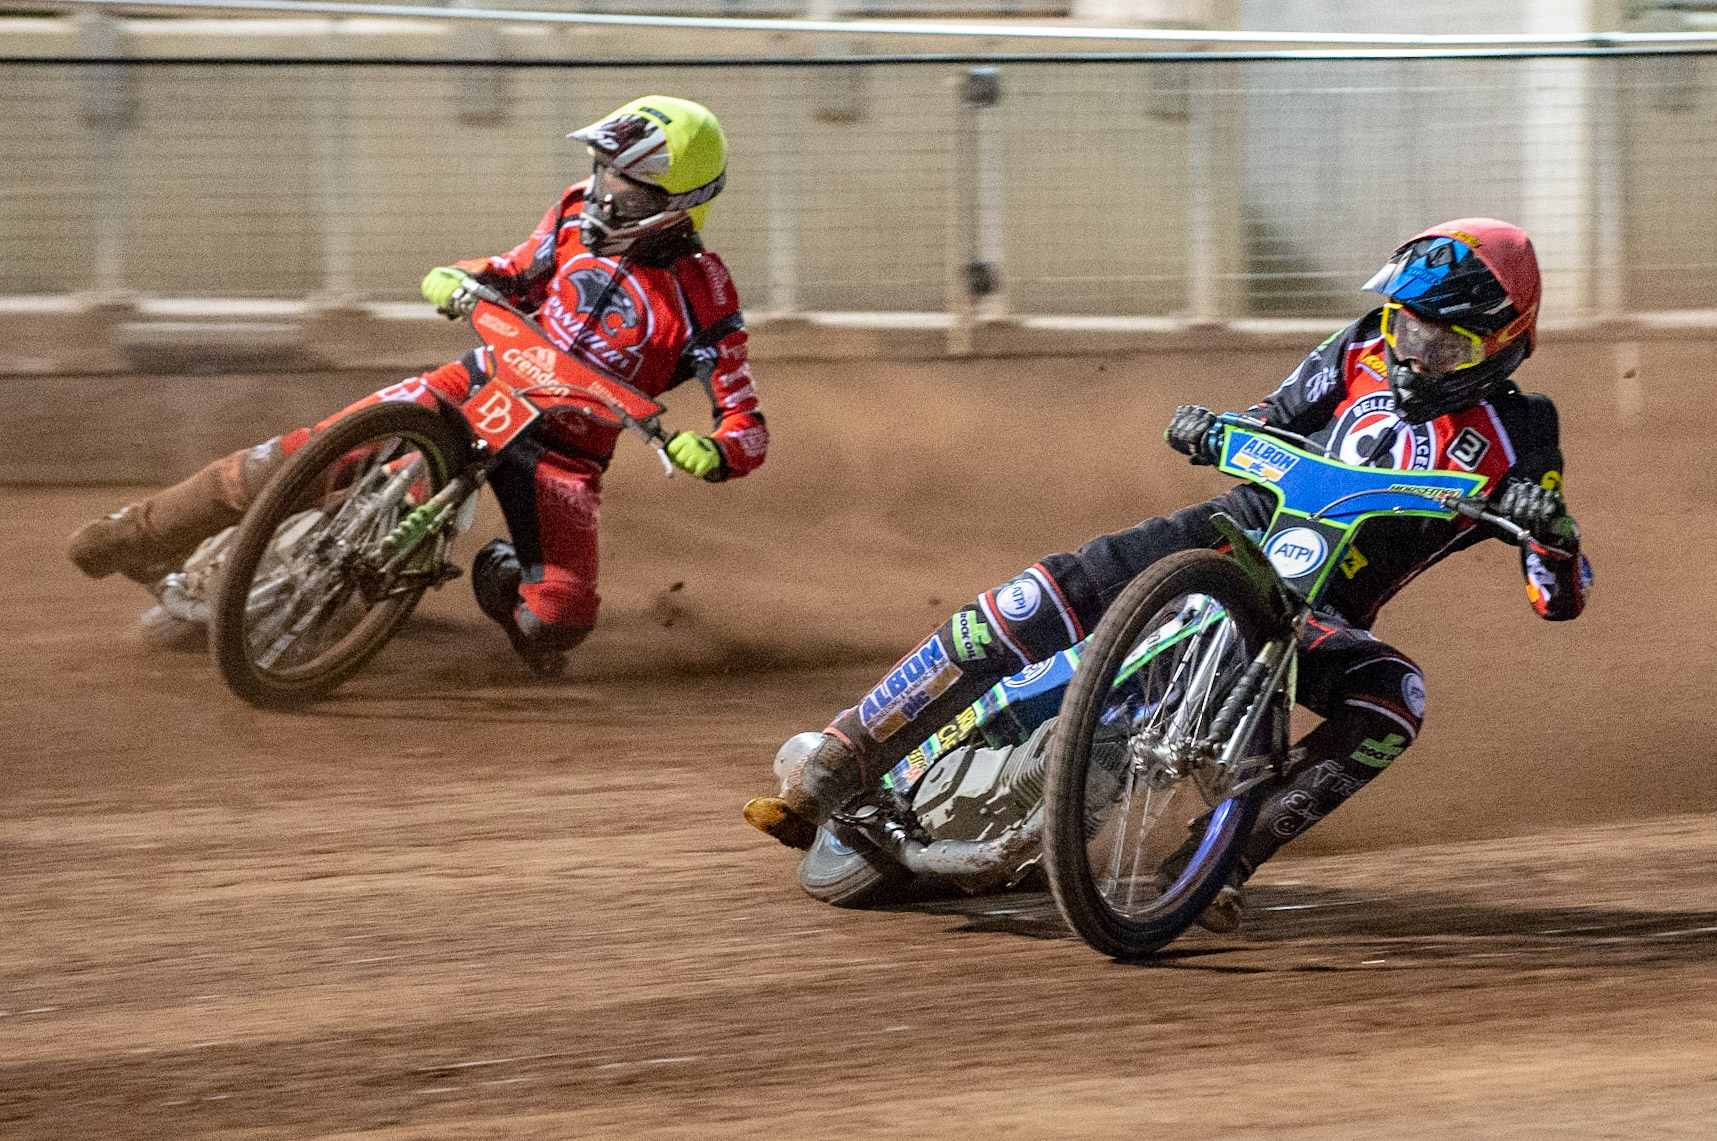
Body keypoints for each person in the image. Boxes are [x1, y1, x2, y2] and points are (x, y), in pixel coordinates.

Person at [744, 218, 1591, 932]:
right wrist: (1213, 426)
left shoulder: (1525, 433)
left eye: (1443, 338)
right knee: (1030, 599)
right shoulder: (1356, 348)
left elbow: (1559, 598)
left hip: (1322, 606)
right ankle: (845, 750)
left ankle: (1223, 854)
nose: (1415, 350)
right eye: (1406, 326)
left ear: (1504, 340)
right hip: (1232, 529)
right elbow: (1271, 414)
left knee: (1393, 697)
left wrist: (1549, 533)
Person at [68, 96, 768, 676]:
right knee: (296, 458)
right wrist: (462, 277)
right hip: (477, 382)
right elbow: (511, 270)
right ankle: (138, 533)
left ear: (681, 200)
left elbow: (746, 420)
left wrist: (715, 451)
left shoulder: (703, 293)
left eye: (628, 183)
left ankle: (496, 575)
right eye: (603, 169)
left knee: (555, 620)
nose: (604, 190)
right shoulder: (572, 213)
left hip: (562, 453)